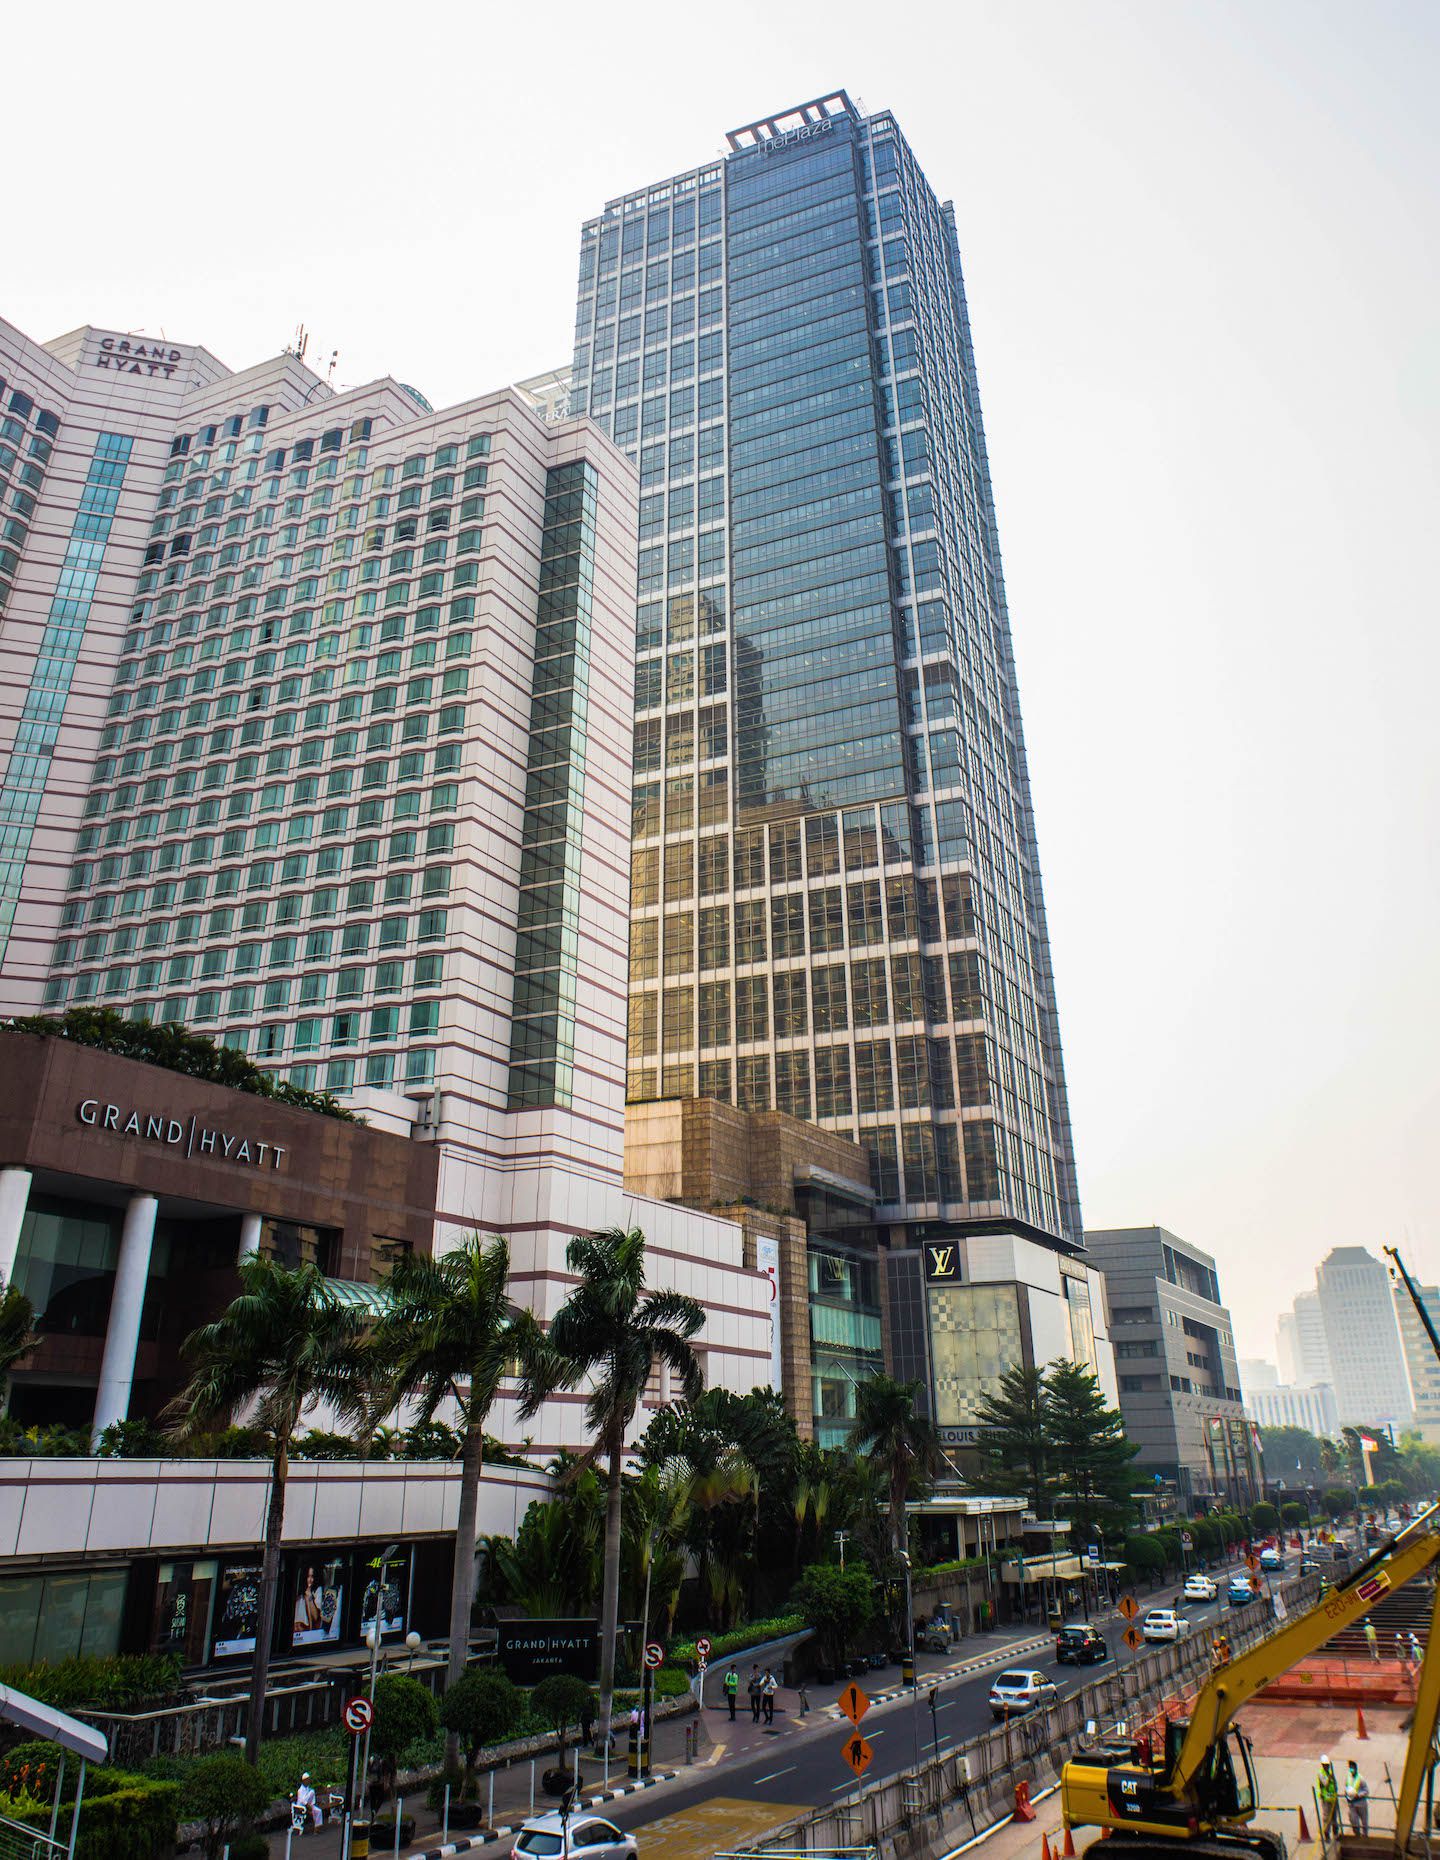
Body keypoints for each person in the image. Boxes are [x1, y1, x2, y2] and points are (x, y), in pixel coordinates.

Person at [1345, 1760, 1370, 1835]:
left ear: (1356, 1768)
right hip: (1352, 1804)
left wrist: (1358, 1795)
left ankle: (1365, 1835)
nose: (1351, 1770)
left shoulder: (1361, 1779)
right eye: (1350, 1768)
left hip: (1361, 1803)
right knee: (1353, 1821)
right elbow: (1347, 1787)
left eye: (1352, 1768)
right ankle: (1357, 1835)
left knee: (1364, 1821)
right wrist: (1346, 1793)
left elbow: (1366, 1791)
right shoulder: (1348, 1778)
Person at [1317, 1757, 1339, 1839]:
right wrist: (1330, 1777)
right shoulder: (1321, 1773)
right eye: (1325, 1765)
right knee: (1327, 1817)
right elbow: (1325, 1783)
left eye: (1328, 1765)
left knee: (1334, 1816)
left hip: (1333, 1798)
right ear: (1322, 1765)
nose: (1327, 1766)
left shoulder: (1330, 1773)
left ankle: (1335, 1832)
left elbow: (1335, 1785)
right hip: (1326, 1798)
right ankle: (1327, 1833)